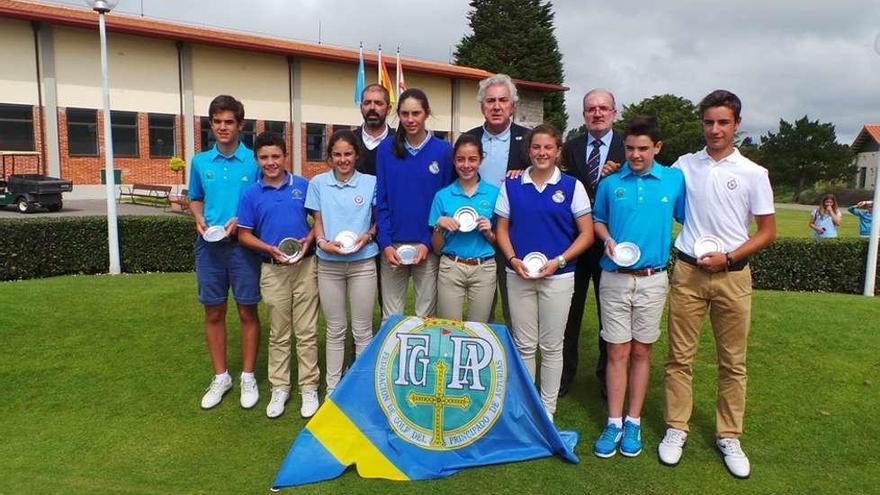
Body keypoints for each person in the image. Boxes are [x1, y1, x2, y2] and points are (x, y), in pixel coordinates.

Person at [659, 90, 776, 479]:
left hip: (732, 275)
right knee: (679, 357)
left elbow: (767, 231)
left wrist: (729, 257)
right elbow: (655, 186)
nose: (714, 129)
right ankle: (677, 428)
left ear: (736, 124)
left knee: (733, 362)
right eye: (709, 122)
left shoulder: (754, 173)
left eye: (723, 122)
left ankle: (729, 435)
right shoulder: (683, 166)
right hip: (689, 273)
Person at [590, 116, 686, 458]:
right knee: (617, 351)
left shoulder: (674, 180)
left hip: (653, 278)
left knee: (642, 351)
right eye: (630, 148)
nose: (635, 155)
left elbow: (690, 218)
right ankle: (614, 421)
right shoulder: (610, 183)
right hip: (614, 277)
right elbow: (598, 220)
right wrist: (607, 239)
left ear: (657, 148)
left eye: (643, 148)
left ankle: (634, 420)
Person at [495, 124, 594, 421]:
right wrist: (512, 260)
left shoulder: (572, 186)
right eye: (536, 147)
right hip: (519, 275)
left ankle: (547, 408)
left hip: (559, 277)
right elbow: (501, 229)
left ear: (558, 151)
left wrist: (560, 261)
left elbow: (586, 234)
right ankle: (527, 406)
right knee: (524, 344)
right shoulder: (512, 185)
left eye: (548, 147)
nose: (541, 153)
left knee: (551, 345)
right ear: (529, 151)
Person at [237, 132, 320, 419]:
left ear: (285, 156)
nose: (271, 162)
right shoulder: (251, 193)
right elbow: (244, 234)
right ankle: (280, 387)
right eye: (264, 157)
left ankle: (309, 387)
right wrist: (269, 248)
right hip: (273, 270)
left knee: (307, 331)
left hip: (306, 266)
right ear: (257, 160)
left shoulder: (303, 185)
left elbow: (318, 220)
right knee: (279, 333)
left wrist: (309, 240)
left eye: (275, 156)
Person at [188, 95, 262, 411]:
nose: (222, 127)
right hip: (210, 247)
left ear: (240, 125)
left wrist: (242, 221)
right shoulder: (200, 162)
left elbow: (263, 202)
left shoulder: (255, 161)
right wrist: (198, 217)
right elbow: (195, 197)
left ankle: (247, 376)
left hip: (243, 247)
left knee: (247, 312)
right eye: (217, 122)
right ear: (211, 124)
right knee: (213, 312)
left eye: (228, 121)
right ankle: (221, 376)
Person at [559, 89, 626, 398]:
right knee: (568, 314)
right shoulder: (569, 148)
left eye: (603, 108)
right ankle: (562, 376)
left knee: (608, 315)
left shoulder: (628, 149)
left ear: (614, 113)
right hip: (573, 243)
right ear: (583, 114)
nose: (597, 113)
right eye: (591, 109)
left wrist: (620, 173)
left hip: (611, 246)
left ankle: (605, 377)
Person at [305, 130, 378, 395]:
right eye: (337, 154)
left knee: (362, 330)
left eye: (348, 154)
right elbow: (318, 221)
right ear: (330, 157)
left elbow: (378, 220)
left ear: (357, 155)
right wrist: (323, 243)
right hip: (329, 264)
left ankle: (359, 391)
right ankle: (333, 390)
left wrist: (368, 235)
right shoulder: (318, 184)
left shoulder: (371, 182)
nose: (343, 159)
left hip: (363, 264)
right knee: (335, 330)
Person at [376, 88, 454, 320]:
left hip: (427, 247)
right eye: (404, 114)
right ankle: (391, 357)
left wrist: (427, 242)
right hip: (393, 246)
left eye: (416, 113)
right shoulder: (386, 149)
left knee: (425, 316)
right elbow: (382, 199)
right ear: (398, 115)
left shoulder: (443, 151)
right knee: (391, 317)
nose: (410, 120)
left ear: (426, 113)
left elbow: (445, 204)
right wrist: (386, 243)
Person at [465, 73, 530, 327]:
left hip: (514, 234)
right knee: (481, 312)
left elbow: (545, 175)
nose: (496, 106)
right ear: (482, 106)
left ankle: (513, 362)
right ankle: (484, 361)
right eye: (490, 101)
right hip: (475, 235)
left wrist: (526, 173)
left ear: (512, 106)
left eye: (503, 100)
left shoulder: (528, 141)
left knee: (516, 310)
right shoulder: (467, 139)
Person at [429, 134, 500, 322]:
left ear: (481, 160)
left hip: (483, 267)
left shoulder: (495, 194)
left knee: (479, 329)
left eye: (472, 159)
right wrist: (439, 226)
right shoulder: (443, 196)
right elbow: (436, 249)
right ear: (454, 161)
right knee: (449, 327)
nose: (466, 165)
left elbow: (500, 241)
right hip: (451, 266)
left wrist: (488, 232)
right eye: (460, 159)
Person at [355, 83, 394, 176]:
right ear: (361, 108)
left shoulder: (400, 143)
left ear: (389, 109)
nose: (372, 107)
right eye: (367, 103)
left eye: (378, 103)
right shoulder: (349, 141)